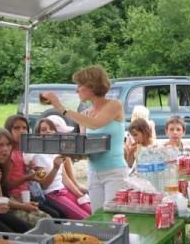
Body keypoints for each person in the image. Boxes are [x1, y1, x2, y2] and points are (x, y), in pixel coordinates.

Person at [42, 65, 128, 212]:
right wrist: (63, 146)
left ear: (92, 86)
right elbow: (84, 146)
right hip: (94, 172)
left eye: (79, 85)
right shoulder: (86, 113)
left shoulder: (114, 105)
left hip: (115, 172)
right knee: (98, 219)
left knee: (114, 218)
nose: (77, 90)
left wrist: (61, 108)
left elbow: (95, 124)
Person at [0, 127, 65, 220]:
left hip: (12, 201)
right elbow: (0, 198)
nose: (5, 149)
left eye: (8, 144)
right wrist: (23, 206)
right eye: (0, 145)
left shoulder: (3, 160)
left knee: (53, 216)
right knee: (46, 220)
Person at [30, 118, 91, 220]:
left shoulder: (56, 151)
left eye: (51, 129)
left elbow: (65, 179)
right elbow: (44, 185)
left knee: (92, 211)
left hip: (64, 190)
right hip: (53, 193)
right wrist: (55, 168)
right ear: (38, 134)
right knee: (86, 218)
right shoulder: (38, 156)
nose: (48, 131)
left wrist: (79, 194)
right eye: (44, 129)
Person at [3, 115, 51, 226]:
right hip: (14, 199)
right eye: (16, 128)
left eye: (24, 128)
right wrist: (29, 177)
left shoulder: (21, 151)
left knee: (49, 218)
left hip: (26, 195)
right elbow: (7, 185)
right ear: (8, 131)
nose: (22, 131)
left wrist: (29, 169)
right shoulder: (8, 154)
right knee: (45, 221)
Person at [46, 115, 88, 194]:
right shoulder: (62, 155)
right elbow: (73, 183)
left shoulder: (58, 152)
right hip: (61, 191)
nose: (66, 137)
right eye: (63, 134)